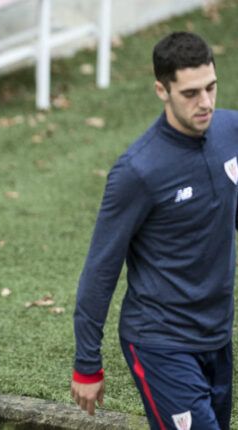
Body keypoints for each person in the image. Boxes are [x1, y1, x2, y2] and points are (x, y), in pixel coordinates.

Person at [71, 32, 234, 429]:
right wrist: (86, 364)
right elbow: (100, 268)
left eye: (211, 88)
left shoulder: (231, 132)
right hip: (159, 340)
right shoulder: (138, 171)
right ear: (162, 90)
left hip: (217, 333)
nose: (206, 103)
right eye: (191, 93)